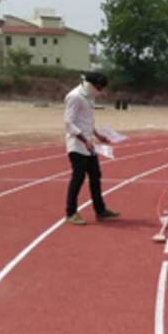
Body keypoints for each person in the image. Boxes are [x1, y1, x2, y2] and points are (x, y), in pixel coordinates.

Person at [63, 72, 120, 225]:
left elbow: (87, 120)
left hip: (89, 144)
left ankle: (100, 210)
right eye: (99, 87)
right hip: (76, 145)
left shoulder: (89, 97)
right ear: (90, 84)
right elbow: (69, 123)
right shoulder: (74, 97)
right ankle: (71, 212)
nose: (100, 91)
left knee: (95, 176)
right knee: (78, 178)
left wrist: (98, 135)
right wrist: (84, 140)